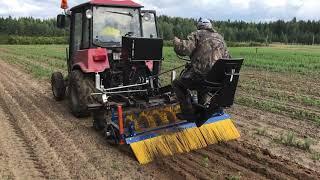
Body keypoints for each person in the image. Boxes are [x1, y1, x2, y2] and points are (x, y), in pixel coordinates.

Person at [172, 18, 231, 125]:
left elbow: (183, 49)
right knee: (204, 81)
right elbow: (228, 58)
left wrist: (176, 42)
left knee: (177, 83)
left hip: (201, 78)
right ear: (210, 26)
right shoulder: (220, 38)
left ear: (199, 26)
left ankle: (188, 113)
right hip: (217, 79)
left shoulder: (197, 35)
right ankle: (201, 108)